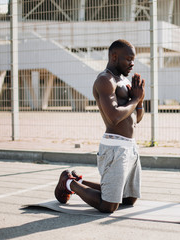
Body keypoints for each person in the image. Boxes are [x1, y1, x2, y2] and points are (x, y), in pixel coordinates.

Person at [54, 39, 145, 213]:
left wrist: (139, 101)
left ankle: (76, 180)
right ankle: (69, 183)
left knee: (128, 199)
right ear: (114, 56)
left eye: (133, 59)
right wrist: (134, 99)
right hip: (114, 147)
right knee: (108, 206)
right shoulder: (105, 80)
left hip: (130, 146)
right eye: (128, 59)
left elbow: (138, 118)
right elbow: (114, 118)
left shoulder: (124, 81)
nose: (132, 64)